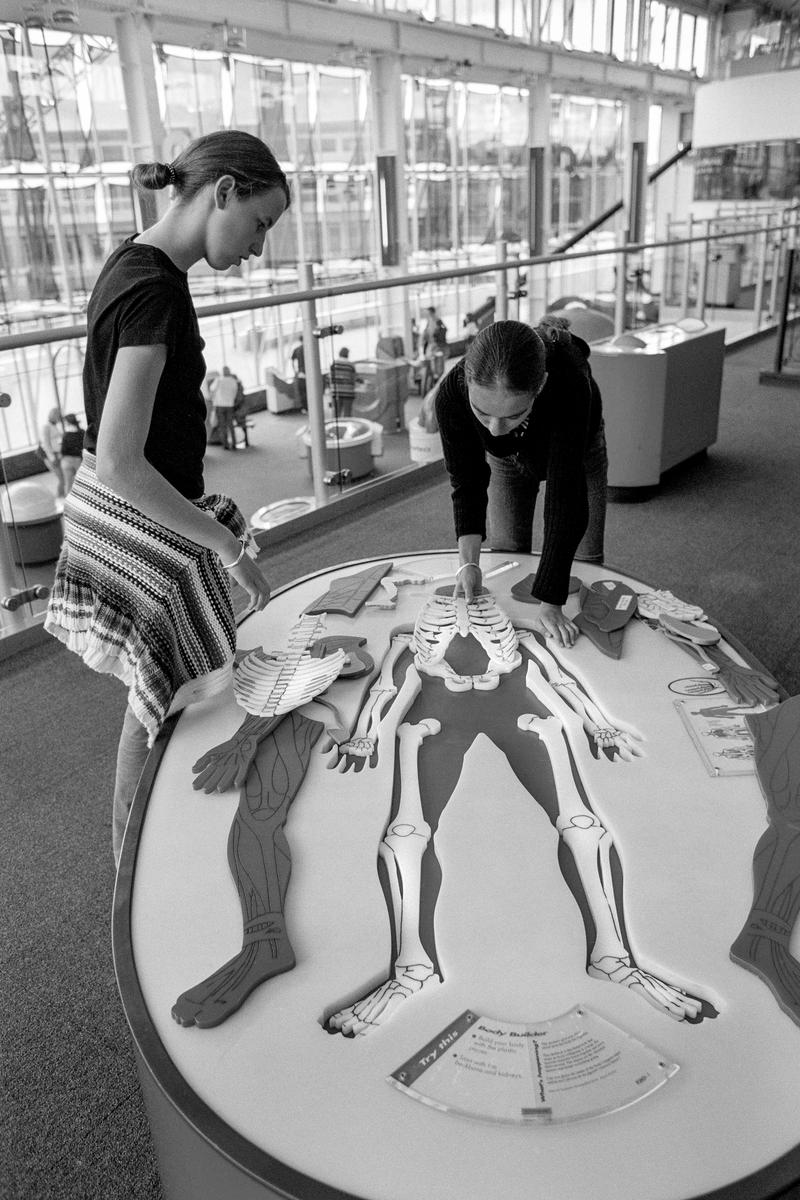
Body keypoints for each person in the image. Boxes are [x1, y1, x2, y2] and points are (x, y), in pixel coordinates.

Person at [44, 129, 290, 865]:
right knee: (158, 698)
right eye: (260, 223)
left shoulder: (138, 262)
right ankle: (134, 870)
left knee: (174, 686)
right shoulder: (153, 290)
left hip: (140, 507)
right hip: (133, 513)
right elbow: (119, 459)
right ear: (223, 192)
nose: (258, 246)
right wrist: (224, 542)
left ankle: (152, 854)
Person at [435, 316, 608, 649]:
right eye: (482, 413)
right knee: (508, 557)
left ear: (540, 385)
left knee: (585, 567)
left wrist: (551, 605)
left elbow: (564, 500)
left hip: (578, 454)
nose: (496, 429)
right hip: (507, 460)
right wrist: (468, 564)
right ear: (467, 381)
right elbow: (467, 481)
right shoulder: (451, 395)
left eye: (513, 415)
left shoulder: (568, 381)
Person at [210, 364, 240, 449]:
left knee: (222, 425)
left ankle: (226, 444)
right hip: (230, 405)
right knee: (230, 424)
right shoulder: (233, 381)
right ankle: (234, 443)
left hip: (220, 405)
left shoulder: (218, 380)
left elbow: (212, 389)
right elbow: (235, 392)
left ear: (222, 372)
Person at [40, 406, 65, 497]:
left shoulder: (54, 426)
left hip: (57, 454)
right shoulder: (46, 427)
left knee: (63, 477)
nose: (59, 418)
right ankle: (60, 496)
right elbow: (46, 443)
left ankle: (62, 495)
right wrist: (52, 457)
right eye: (58, 416)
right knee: (61, 477)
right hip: (51, 456)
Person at [59, 413, 84, 495]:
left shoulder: (66, 435)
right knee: (82, 483)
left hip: (66, 461)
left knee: (68, 484)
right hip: (78, 460)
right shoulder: (82, 433)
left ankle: (68, 503)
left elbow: (63, 451)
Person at [329, 346, 356, 419]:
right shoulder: (351, 365)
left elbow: (330, 378)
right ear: (347, 354)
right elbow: (353, 378)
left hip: (337, 392)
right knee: (347, 414)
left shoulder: (334, 364)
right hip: (348, 393)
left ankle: (337, 429)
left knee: (337, 414)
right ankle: (347, 428)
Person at [290, 341, 306, 411]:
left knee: (302, 392)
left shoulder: (297, 349)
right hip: (310, 373)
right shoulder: (310, 348)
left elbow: (293, 361)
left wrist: (295, 371)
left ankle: (304, 408)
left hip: (301, 373)